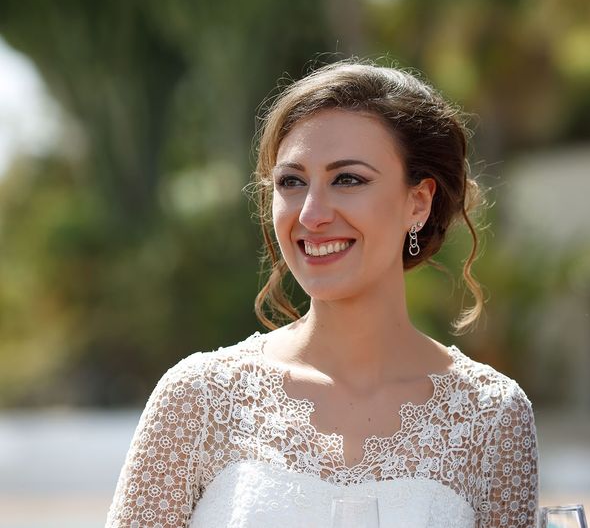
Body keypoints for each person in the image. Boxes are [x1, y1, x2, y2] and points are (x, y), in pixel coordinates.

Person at [106, 60, 538, 528]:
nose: (311, 214)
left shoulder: (492, 417)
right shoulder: (197, 398)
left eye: (347, 179)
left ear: (418, 201)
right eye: (291, 182)